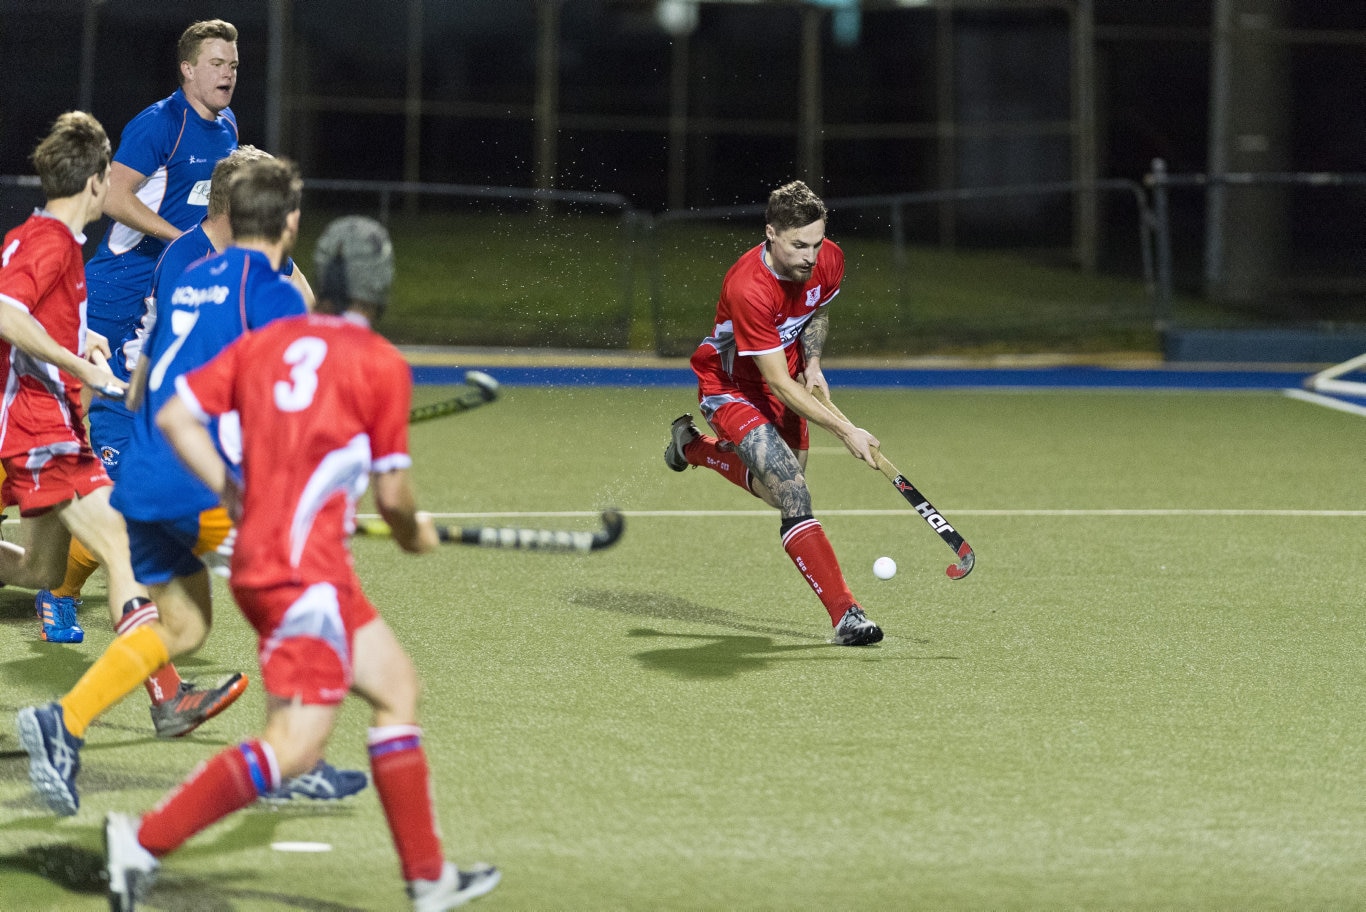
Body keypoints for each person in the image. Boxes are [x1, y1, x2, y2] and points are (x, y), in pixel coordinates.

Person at [103, 216, 501, 911]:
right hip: (300, 579)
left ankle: (429, 878)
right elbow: (395, 497)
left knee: (396, 687)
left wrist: (234, 487)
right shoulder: (381, 365)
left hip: (286, 562)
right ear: (381, 286)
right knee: (294, 746)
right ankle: (141, 841)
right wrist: (414, 534)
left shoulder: (270, 341)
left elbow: (176, 417)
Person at [15, 157, 342, 818]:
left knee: (184, 626)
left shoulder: (192, 278)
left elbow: (152, 375)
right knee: (305, 600)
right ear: (284, 219)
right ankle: (294, 758)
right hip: (200, 481)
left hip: (147, 472)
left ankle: (64, 723)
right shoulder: (270, 290)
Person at [1, 112, 241, 750]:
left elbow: (36, 317)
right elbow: (4, 311)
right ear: (100, 178)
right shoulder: (51, 241)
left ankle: (167, 698)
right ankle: (168, 699)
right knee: (121, 551)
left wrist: (86, 337)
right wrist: (79, 363)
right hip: (36, 426)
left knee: (37, 568)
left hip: (46, 425)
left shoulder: (50, 239)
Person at [40, 18, 242, 638]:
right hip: (113, 297)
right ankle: (55, 583)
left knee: (138, 466)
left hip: (163, 304)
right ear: (187, 69)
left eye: (233, 64)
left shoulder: (229, 128)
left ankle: (81, 576)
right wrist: (183, 241)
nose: (228, 73)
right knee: (70, 445)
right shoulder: (160, 124)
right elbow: (114, 200)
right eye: (215, 63)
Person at [664, 179, 885, 646]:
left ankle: (694, 449)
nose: (810, 255)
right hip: (731, 385)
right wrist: (847, 430)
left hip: (784, 373)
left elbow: (816, 311)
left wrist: (815, 362)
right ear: (771, 234)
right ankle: (847, 615)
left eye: (817, 242)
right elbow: (778, 387)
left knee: (777, 492)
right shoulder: (750, 288)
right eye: (798, 245)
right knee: (793, 492)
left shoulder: (827, 259)